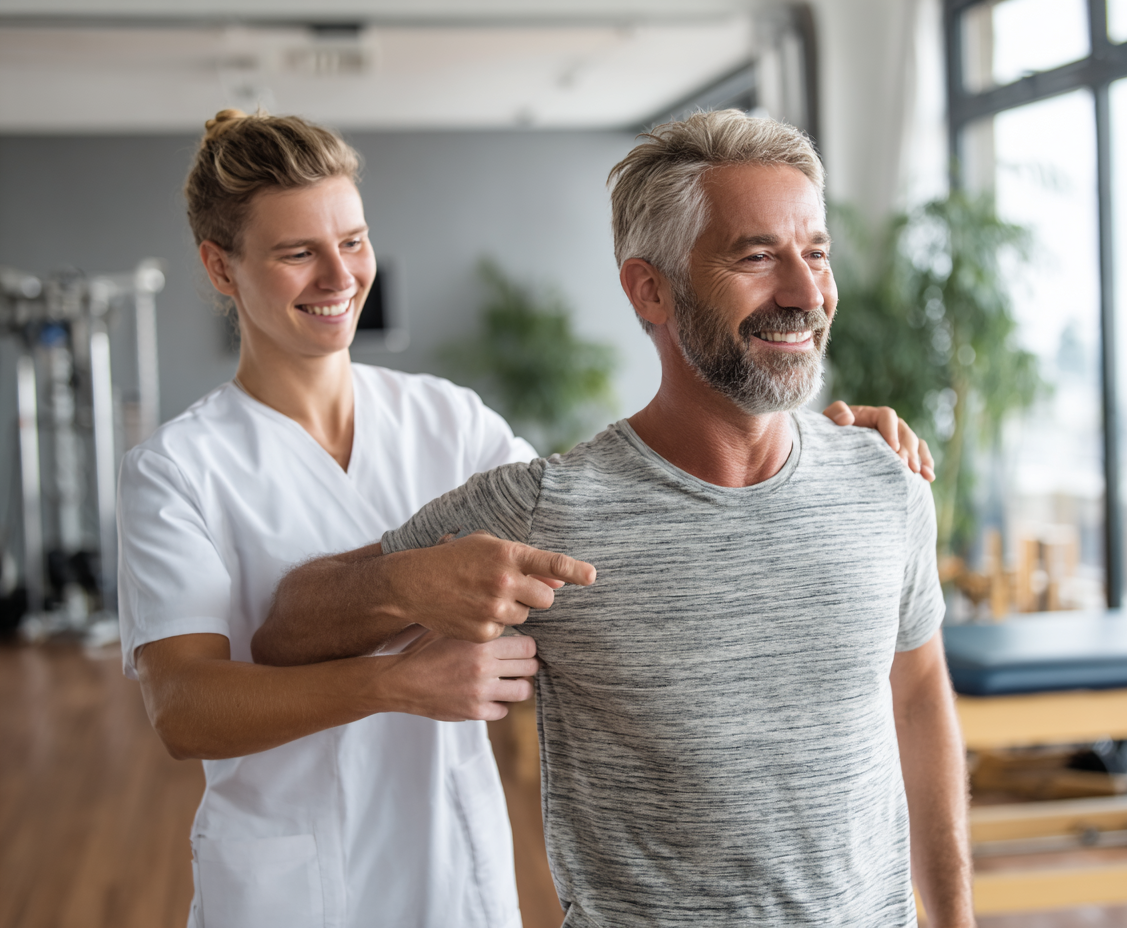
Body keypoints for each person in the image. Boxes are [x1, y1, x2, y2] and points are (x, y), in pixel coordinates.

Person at [118, 109, 933, 928]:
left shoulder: (448, 420)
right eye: (298, 253)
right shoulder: (177, 469)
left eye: (354, 242)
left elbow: (602, 501)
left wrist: (810, 443)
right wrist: (392, 677)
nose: (340, 276)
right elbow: (184, 709)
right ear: (220, 268)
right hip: (291, 884)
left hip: (454, 872)